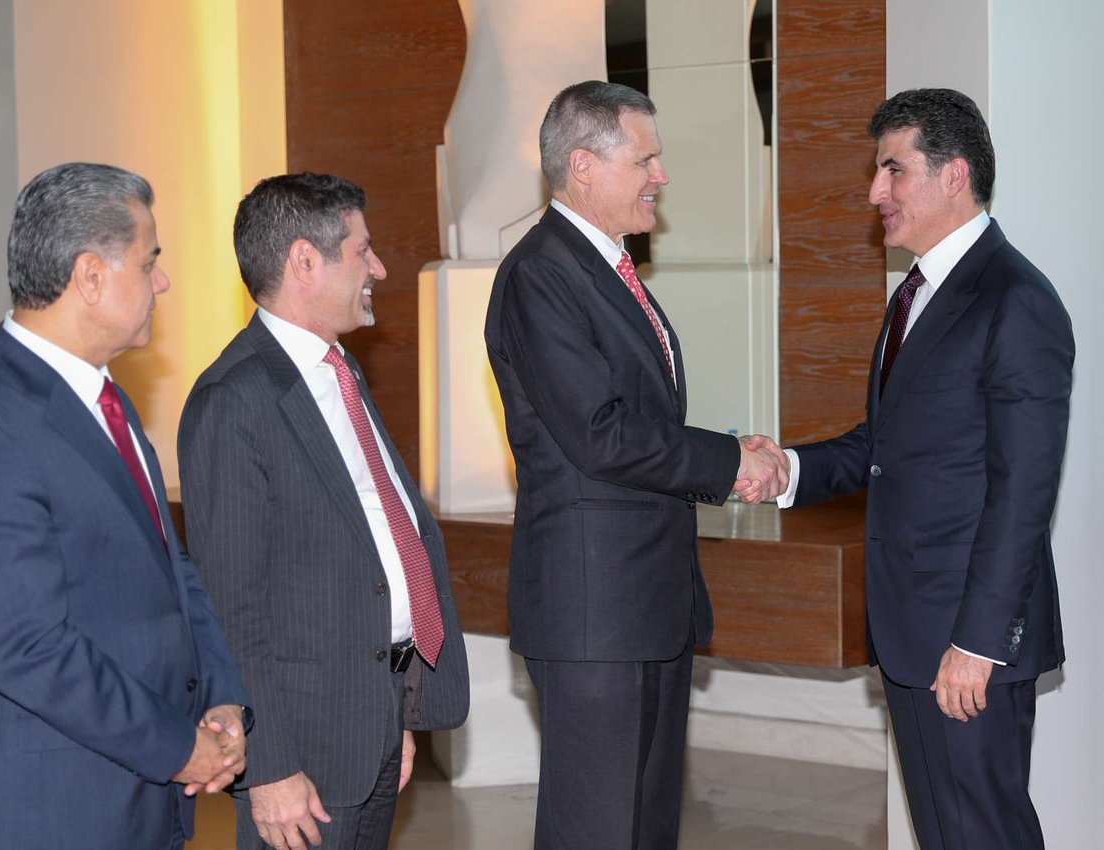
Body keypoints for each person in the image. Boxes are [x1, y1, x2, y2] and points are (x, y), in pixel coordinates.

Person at [764, 88, 1074, 849]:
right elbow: (885, 446)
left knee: (983, 834)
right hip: (910, 634)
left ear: (953, 175)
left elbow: (1021, 494)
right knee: (942, 834)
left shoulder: (1015, 301)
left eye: (892, 171)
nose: (876, 193)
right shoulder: (913, 297)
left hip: (966, 645)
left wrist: (976, 643)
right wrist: (787, 470)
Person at [483, 80, 785, 849]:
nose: (662, 175)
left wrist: (732, 453)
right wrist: (730, 462)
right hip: (594, 610)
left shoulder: (606, 271)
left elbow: (636, 424)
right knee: (597, 830)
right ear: (582, 165)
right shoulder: (541, 274)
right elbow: (600, 434)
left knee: (645, 828)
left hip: (643, 602)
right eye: (645, 158)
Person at [0, 162, 250, 849]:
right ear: (90, 275)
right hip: (58, 812)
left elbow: (170, 570)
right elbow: (28, 647)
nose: (162, 282)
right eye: (150, 261)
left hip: (142, 802)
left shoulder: (104, 399)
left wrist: (220, 694)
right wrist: (174, 744)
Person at [178, 172, 470, 850]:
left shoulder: (339, 371)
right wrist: (270, 764)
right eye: (361, 251)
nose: (378, 268)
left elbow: (362, 548)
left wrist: (391, 712)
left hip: (366, 717)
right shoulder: (234, 399)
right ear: (305, 261)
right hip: (300, 748)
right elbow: (232, 605)